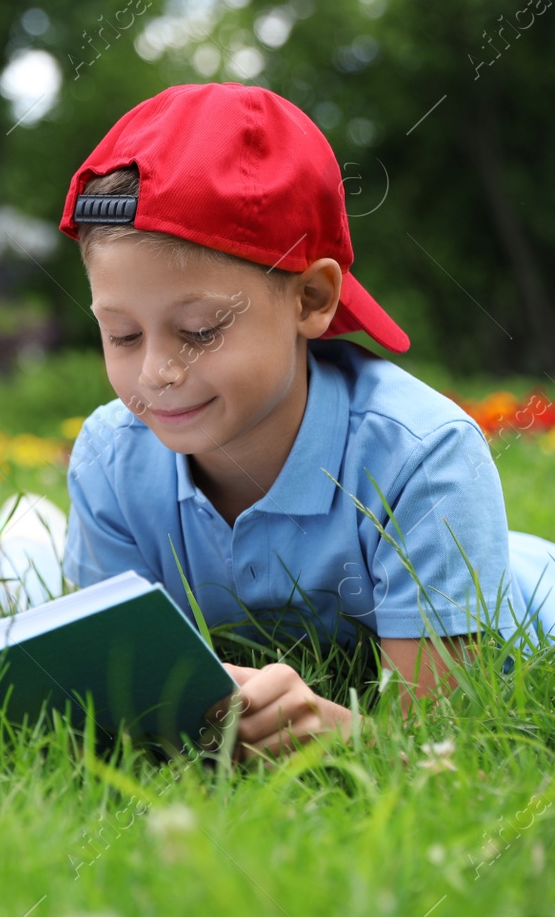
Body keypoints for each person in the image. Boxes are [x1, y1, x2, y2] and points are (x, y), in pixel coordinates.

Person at [58, 82, 554, 757]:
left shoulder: (423, 457)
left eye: (199, 330)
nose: (155, 373)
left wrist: (335, 731)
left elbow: (440, 744)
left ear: (312, 298)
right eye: (121, 335)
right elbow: (115, 699)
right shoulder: (110, 458)